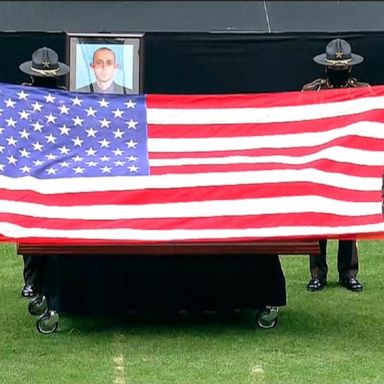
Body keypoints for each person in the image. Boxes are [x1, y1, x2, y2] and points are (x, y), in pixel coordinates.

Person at [302, 38, 369, 292]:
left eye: (342, 69)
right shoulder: (312, 92)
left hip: (349, 162)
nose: (338, 73)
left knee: (348, 219)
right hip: (320, 163)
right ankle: (318, 273)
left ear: (350, 68)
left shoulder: (363, 91)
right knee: (319, 220)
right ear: (326, 68)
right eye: (334, 69)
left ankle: (348, 272)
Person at [19, 46, 70, 298]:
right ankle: (31, 280)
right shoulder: (20, 97)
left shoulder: (65, 98)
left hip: (58, 169)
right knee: (30, 226)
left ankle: (54, 280)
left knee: (55, 227)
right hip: (30, 169)